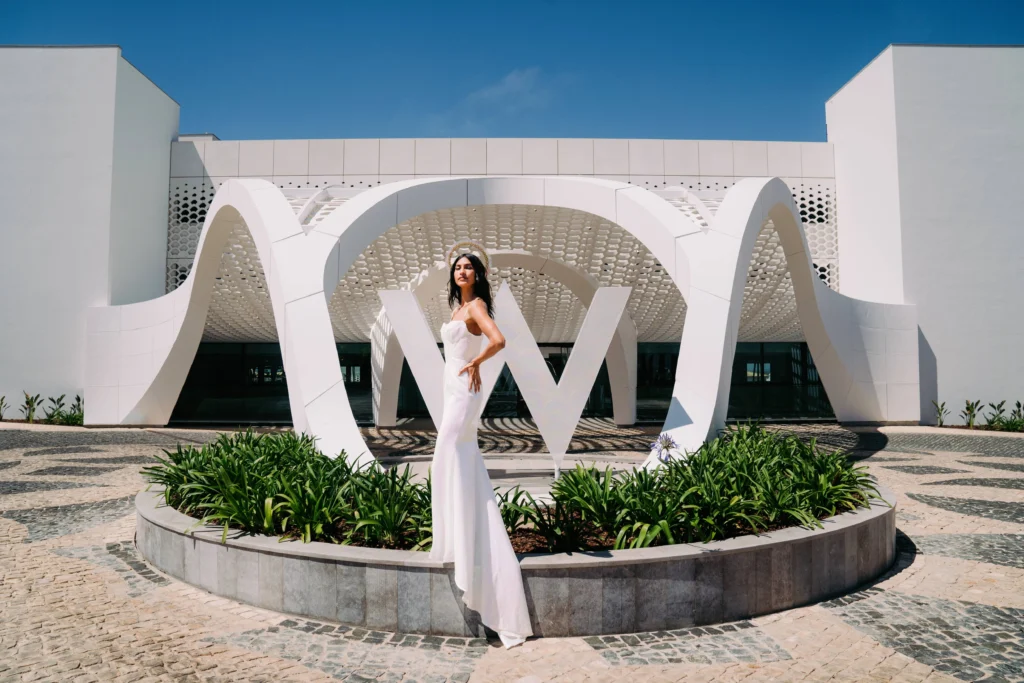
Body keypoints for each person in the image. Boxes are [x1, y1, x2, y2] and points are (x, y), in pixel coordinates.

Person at [428, 243, 533, 648]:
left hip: (465, 390)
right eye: (457, 266)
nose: (462, 270)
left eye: (469, 267)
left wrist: (475, 363)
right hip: (453, 389)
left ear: (478, 275)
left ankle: (467, 547)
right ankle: (460, 537)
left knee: (448, 457)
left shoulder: (475, 309)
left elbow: (499, 339)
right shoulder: (457, 310)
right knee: (452, 462)